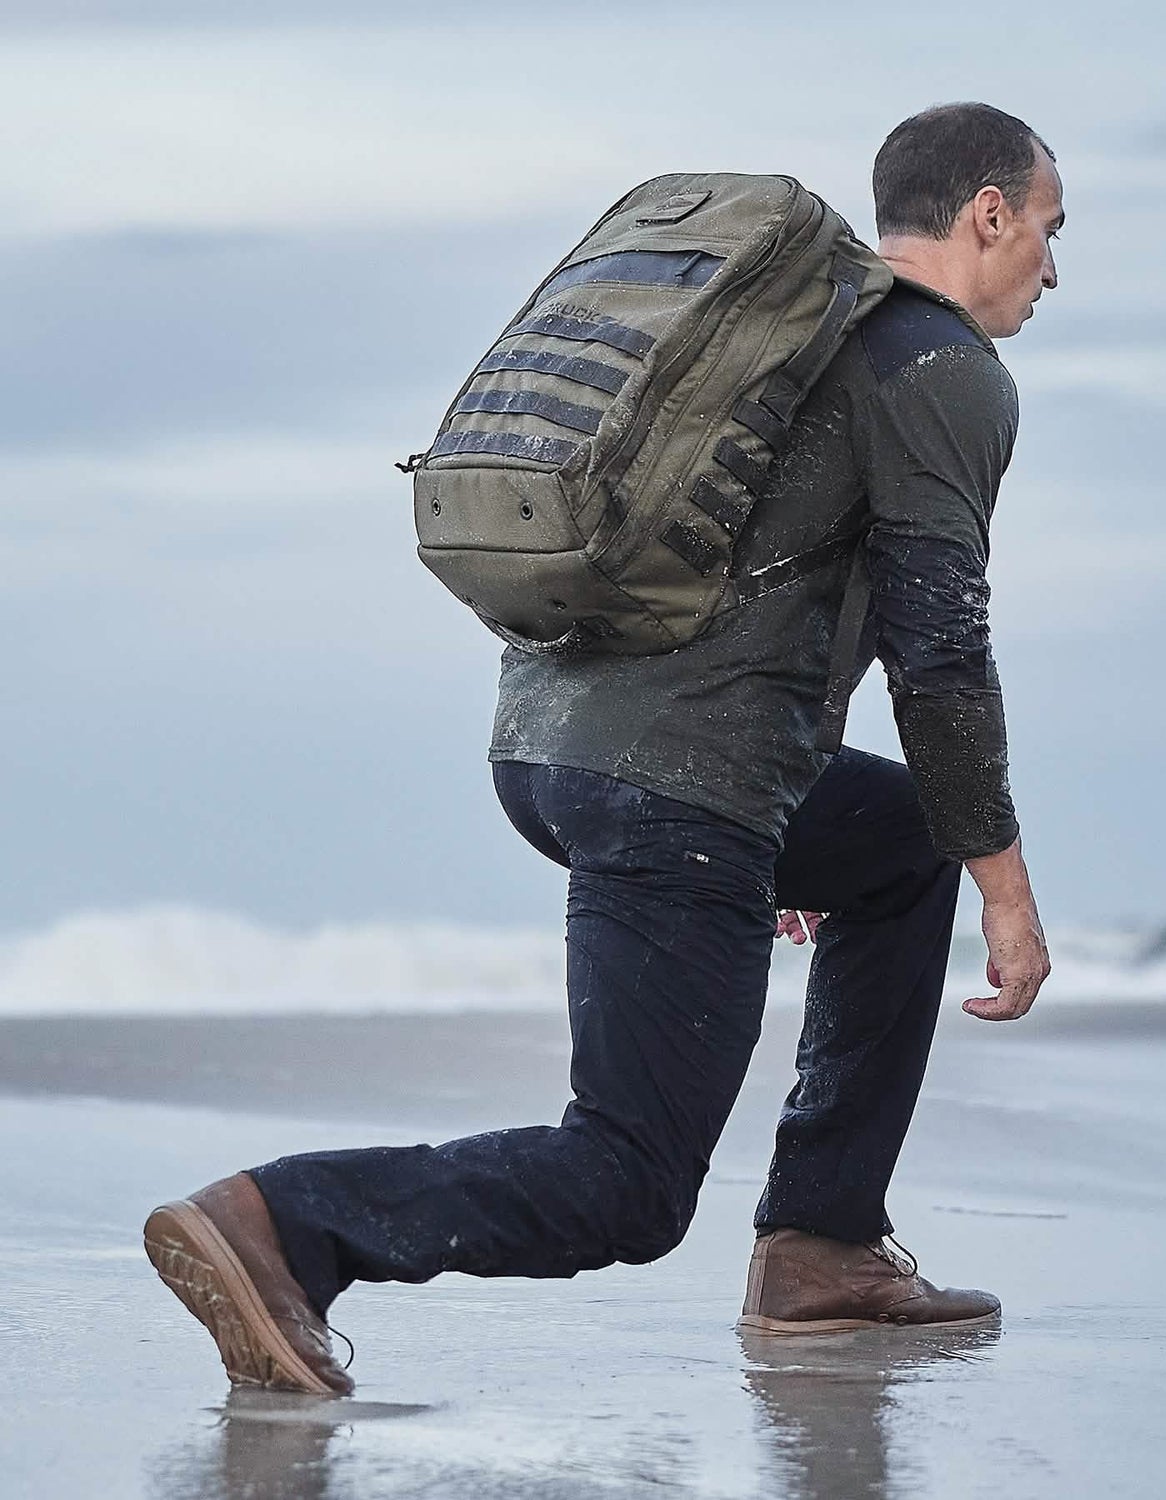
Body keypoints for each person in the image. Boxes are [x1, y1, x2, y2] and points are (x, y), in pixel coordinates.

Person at [143, 101, 1063, 1395]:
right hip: (676, 782)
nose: (1052, 269)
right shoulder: (940, 365)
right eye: (1048, 228)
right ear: (988, 215)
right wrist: (1009, 897)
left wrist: (795, 814)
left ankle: (824, 1246)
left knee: (901, 839)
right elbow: (941, 653)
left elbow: (783, 580)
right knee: (629, 1182)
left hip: (552, 741)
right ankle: (281, 1226)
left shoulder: (797, 337)